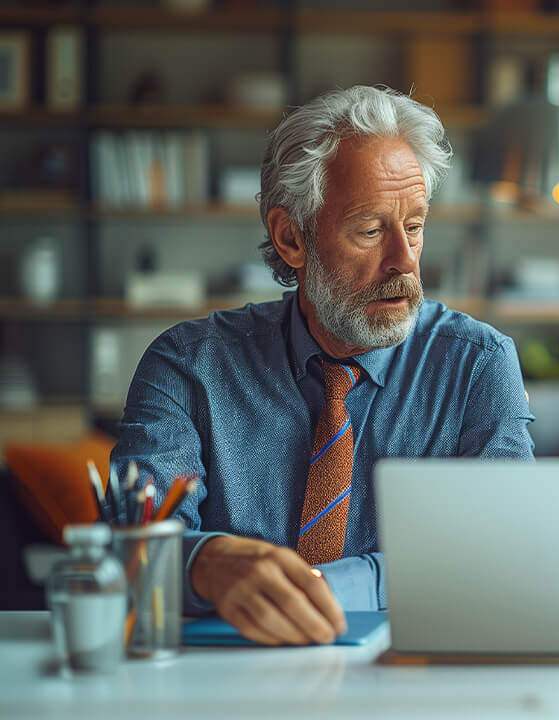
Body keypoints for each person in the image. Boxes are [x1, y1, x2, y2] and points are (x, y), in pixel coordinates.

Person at [111, 86, 535, 645]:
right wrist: (203, 564)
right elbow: (126, 548)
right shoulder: (189, 366)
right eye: (370, 230)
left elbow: (507, 555)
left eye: (414, 225)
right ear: (291, 237)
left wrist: (337, 587)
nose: (404, 262)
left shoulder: (477, 365)